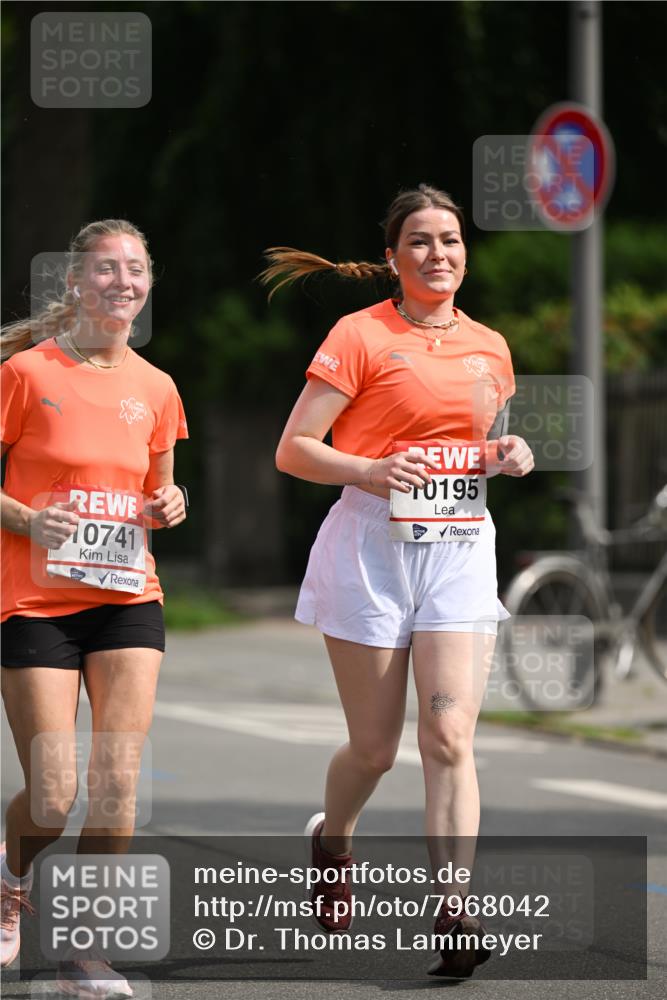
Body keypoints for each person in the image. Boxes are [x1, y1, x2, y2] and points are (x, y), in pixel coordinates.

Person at [262, 184, 534, 978]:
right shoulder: (359, 335)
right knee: (375, 750)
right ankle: (332, 841)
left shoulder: (490, 346)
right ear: (392, 257)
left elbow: (477, 443)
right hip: (370, 552)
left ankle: (453, 909)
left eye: (449, 239)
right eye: (419, 240)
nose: (436, 253)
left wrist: (506, 453)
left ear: (464, 254)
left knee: (448, 737)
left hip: (458, 549)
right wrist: (369, 470)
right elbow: (294, 449)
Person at [0, 219, 188, 997]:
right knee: (53, 796)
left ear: (147, 285)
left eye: (135, 270)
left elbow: (157, 492)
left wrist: (171, 504)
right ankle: (10, 876)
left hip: (127, 600)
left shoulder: (158, 387)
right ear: (75, 282)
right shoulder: (25, 373)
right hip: (34, 602)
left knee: (116, 785)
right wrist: (28, 519)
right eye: (106, 269)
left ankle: (83, 954)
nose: (123, 282)